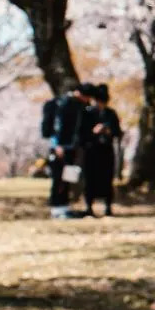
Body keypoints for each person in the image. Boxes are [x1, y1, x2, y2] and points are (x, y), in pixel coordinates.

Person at [41, 83, 93, 219]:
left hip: (72, 148)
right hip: (61, 148)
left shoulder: (78, 106)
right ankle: (57, 208)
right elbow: (58, 126)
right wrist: (57, 145)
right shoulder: (64, 104)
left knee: (68, 177)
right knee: (59, 179)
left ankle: (64, 205)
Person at [80, 84, 122, 217]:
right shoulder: (87, 113)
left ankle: (108, 207)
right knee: (89, 179)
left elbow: (118, 132)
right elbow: (81, 133)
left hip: (106, 150)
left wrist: (108, 131)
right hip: (91, 150)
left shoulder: (111, 113)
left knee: (107, 179)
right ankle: (89, 207)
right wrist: (93, 132)